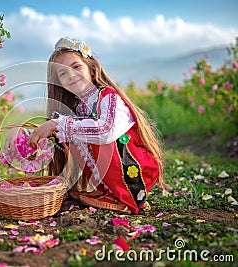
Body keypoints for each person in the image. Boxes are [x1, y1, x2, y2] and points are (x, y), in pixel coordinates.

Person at [26, 36, 165, 214]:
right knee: (71, 130)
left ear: (91, 69)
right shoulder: (78, 107)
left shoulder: (109, 97)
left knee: (82, 129)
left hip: (135, 168)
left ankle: (127, 196)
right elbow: (55, 133)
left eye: (76, 67)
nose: (71, 75)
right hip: (114, 171)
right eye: (62, 73)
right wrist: (25, 133)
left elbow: (106, 131)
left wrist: (59, 124)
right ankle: (109, 191)